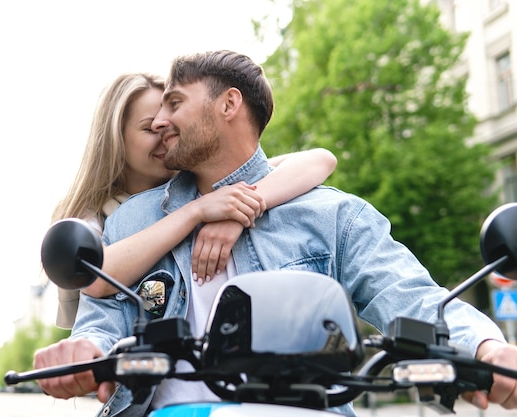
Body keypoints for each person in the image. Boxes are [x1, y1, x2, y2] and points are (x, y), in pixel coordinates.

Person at [35, 50, 517, 416]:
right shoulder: (131, 222)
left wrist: (484, 348)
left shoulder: (332, 214)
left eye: (175, 102)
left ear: (229, 104)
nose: (162, 121)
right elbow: (102, 320)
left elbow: (409, 295)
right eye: (156, 113)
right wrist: (87, 349)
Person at [48, 71, 337, 330]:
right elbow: (97, 277)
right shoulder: (91, 212)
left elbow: (319, 160)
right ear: (115, 138)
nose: (166, 135)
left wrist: (237, 212)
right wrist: (195, 211)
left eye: (170, 125)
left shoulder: (202, 186)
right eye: (151, 129)